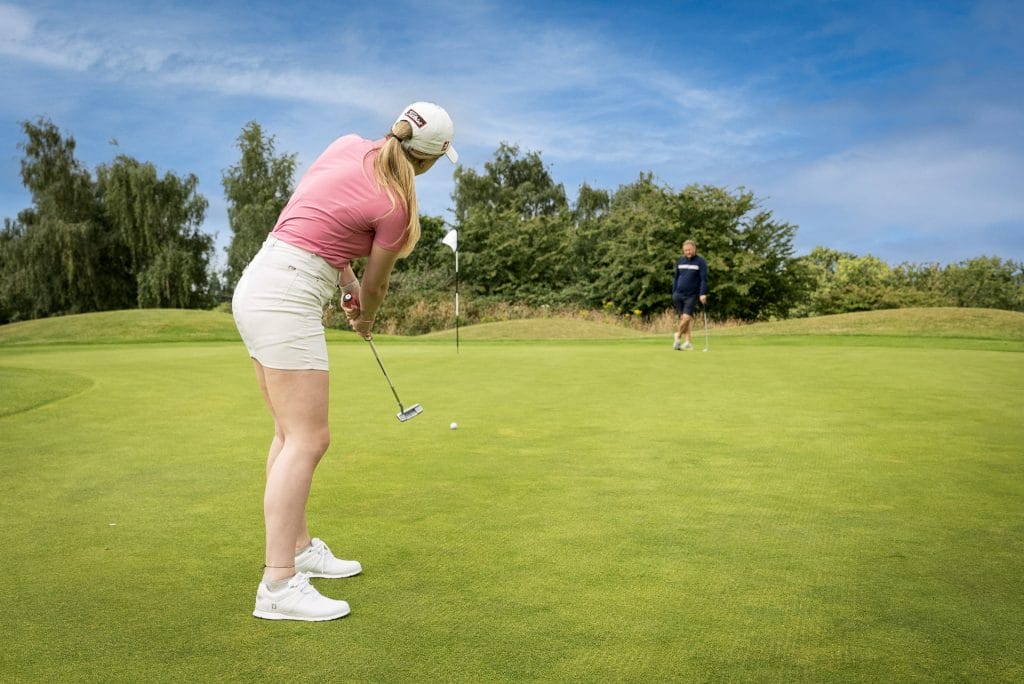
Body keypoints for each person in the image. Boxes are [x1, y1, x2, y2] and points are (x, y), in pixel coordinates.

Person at [231, 102, 458, 621]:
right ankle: (278, 584)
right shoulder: (398, 204)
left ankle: (299, 550)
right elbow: (378, 284)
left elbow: (321, 223)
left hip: (260, 279)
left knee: (289, 434)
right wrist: (365, 315)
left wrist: (347, 284)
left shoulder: (346, 144)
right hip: (286, 297)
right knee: (309, 439)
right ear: (427, 161)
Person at [672, 239, 708, 350]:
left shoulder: (700, 262)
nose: (688, 252)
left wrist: (702, 293)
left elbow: (703, 279)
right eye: (686, 250)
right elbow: (676, 278)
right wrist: (674, 292)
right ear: (683, 250)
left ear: (694, 249)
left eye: (690, 250)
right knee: (683, 319)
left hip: (691, 295)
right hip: (678, 294)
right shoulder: (680, 261)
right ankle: (688, 342)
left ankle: (678, 335)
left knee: (687, 318)